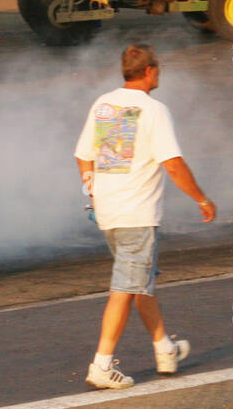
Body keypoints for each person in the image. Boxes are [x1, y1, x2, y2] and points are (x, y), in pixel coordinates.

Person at [75, 44, 215, 390]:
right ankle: (102, 365)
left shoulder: (104, 104)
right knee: (125, 287)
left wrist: (92, 190)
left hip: (109, 212)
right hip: (136, 212)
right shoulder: (154, 110)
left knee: (139, 279)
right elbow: (173, 164)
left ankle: (164, 349)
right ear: (150, 71)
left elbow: (83, 156)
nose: (160, 73)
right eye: (159, 68)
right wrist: (201, 198)